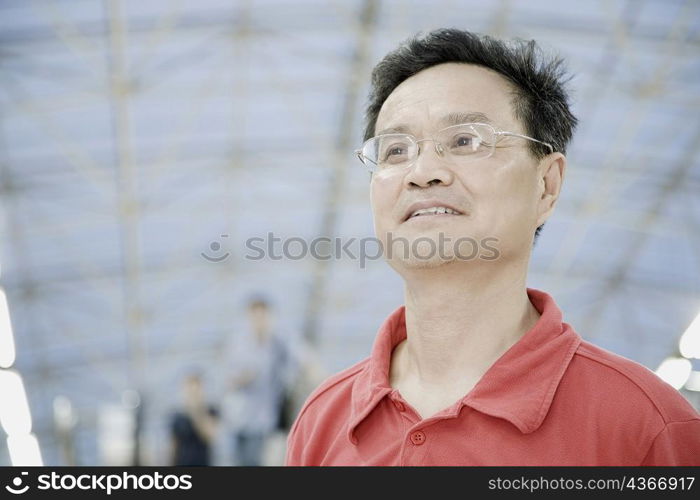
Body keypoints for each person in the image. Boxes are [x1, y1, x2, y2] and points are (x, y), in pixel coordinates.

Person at [285, 29, 700, 466]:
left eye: (466, 140)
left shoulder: (644, 425)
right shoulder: (323, 422)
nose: (423, 171)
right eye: (395, 150)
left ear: (547, 185)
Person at [227, 296, 294, 466]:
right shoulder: (238, 346)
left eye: (263, 316)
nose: (259, 321)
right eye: (255, 316)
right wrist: (244, 378)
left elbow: (296, 367)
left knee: (256, 460)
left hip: (264, 421)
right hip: (239, 418)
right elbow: (230, 380)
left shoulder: (277, 346)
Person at [169, 372, 219, 466]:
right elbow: (174, 446)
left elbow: (209, 436)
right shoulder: (178, 415)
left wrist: (196, 410)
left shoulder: (210, 411)